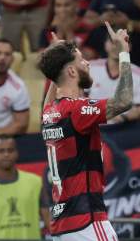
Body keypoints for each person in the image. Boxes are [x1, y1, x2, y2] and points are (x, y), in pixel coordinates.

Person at [39, 22, 133, 240]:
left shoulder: (50, 113)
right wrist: (124, 53)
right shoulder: (77, 110)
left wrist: (58, 58)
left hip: (61, 227)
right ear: (71, 71)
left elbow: (51, 95)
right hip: (86, 223)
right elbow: (124, 101)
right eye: (81, 60)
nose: (87, 63)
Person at [88, 33, 140, 123]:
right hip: (92, 124)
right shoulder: (90, 67)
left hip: (123, 127)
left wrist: (122, 118)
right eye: (113, 42)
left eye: (121, 43)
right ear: (105, 44)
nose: (117, 47)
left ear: (129, 47)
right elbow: (78, 98)